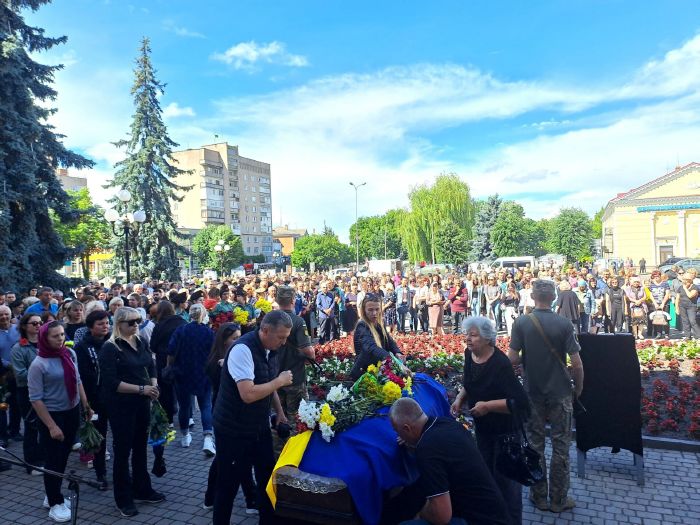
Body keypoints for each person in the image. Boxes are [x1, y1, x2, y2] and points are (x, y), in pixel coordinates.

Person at [211, 310, 294, 525]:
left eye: (286, 337)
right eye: (281, 337)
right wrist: (280, 381)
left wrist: (280, 413)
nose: (284, 342)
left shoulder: (270, 349)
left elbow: (267, 384)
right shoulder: (242, 350)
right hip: (233, 430)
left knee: (267, 479)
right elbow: (248, 394)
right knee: (228, 485)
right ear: (265, 330)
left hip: (258, 427)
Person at [508, 279, 584, 513]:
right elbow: (577, 364)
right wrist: (578, 389)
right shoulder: (564, 324)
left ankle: (539, 496)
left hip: (533, 393)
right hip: (560, 393)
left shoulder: (522, 322)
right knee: (561, 446)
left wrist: (528, 359)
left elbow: (512, 359)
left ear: (532, 297)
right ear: (554, 298)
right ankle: (558, 500)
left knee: (535, 445)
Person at [450, 316, 529, 524]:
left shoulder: (500, 363)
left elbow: (520, 402)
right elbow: (470, 382)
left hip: (506, 432)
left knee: (507, 484)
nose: (468, 339)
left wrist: (487, 406)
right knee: (487, 478)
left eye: (474, 335)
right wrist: (459, 398)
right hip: (484, 429)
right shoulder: (469, 354)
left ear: (487, 339)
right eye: (467, 334)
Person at [389, 397, 509, 525]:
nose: (399, 436)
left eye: (398, 432)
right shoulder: (447, 424)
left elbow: (441, 516)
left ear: (407, 428)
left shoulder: (427, 450)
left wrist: (420, 514)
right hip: (495, 513)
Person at [99, 307, 164, 518]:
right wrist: (142, 389)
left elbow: (151, 365)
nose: (136, 324)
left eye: (138, 320)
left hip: (142, 403)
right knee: (122, 451)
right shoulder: (110, 348)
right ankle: (123, 498)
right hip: (121, 406)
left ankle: (142, 488)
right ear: (119, 324)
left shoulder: (140, 341)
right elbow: (111, 382)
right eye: (131, 322)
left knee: (140, 448)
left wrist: (153, 385)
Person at [28, 321, 93, 523]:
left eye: (62, 334)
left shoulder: (69, 354)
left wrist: (86, 405)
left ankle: (52, 493)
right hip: (52, 416)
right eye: (55, 336)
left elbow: (78, 380)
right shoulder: (38, 364)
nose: (61, 339)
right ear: (45, 338)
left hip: (71, 411)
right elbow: (36, 399)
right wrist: (52, 426)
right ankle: (55, 502)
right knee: (53, 459)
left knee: (63, 456)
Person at [203, 323, 258, 515]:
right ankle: (250, 498)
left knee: (225, 459)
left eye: (239, 336)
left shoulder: (232, 357)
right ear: (223, 340)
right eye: (234, 338)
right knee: (237, 460)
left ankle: (211, 497)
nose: (238, 341)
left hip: (232, 415)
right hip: (226, 416)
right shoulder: (216, 362)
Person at [167, 303, 216, 454]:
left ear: (189, 314)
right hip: (203, 373)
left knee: (184, 406)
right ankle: (208, 438)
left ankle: (185, 436)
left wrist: (169, 367)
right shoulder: (208, 332)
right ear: (204, 314)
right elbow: (213, 354)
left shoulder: (181, 330)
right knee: (206, 406)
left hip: (182, 372)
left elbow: (171, 351)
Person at [73, 310, 111, 490]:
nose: (105, 326)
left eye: (107, 323)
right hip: (95, 400)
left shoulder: (113, 342)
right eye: (100, 324)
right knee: (99, 437)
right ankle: (100, 472)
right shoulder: (82, 347)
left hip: (115, 397)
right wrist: (88, 403)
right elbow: (84, 376)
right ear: (90, 327)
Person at [274, 286, 314, 427]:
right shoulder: (297, 321)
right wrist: (311, 357)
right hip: (295, 376)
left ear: (277, 300)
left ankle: (279, 440)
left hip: (274, 377)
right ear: (293, 300)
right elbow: (308, 350)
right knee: (298, 418)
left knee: (278, 417)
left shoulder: (271, 319)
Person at [10, 313, 45, 475]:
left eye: (40, 323)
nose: (38, 326)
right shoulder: (19, 348)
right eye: (34, 323)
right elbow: (20, 375)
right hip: (28, 392)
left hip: (46, 390)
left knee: (45, 425)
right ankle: (32, 463)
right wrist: (42, 373)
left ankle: (44, 457)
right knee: (31, 426)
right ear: (24, 326)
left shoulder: (46, 343)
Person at [350, 293, 405, 380]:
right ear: (364, 311)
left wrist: (397, 352)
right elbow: (371, 347)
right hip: (364, 373)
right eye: (370, 310)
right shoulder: (362, 326)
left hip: (378, 369)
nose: (374, 313)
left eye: (377, 309)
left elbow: (389, 341)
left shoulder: (379, 323)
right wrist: (394, 361)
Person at [148, 300, 186, 424]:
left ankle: (169, 420)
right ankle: (187, 418)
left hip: (163, 361)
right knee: (183, 390)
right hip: (181, 359)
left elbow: (153, 346)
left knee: (166, 391)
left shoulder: (159, 325)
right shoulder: (182, 322)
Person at [0, 304, 21, 447]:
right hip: (2, 374)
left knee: (16, 403)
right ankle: (2, 435)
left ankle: (15, 430)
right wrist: (8, 365)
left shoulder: (18, 330)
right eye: (1, 315)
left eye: (6, 314)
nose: (4, 317)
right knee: (2, 405)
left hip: (17, 373)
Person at [647, 270, 671, 339]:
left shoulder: (665, 283)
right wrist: (655, 303)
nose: (656, 277)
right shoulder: (651, 285)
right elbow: (651, 295)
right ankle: (659, 334)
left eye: (657, 276)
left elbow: (667, 294)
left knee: (665, 319)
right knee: (657, 319)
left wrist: (663, 303)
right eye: (654, 276)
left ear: (660, 276)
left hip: (664, 304)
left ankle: (666, 334)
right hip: (655, 304)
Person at [675, 274, 699, 340]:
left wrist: (685, 288)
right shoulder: (680, 287)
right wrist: (676, 308)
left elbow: (690, 295)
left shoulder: (694, 287)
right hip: (682, 306)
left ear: (690, 281)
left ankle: (698, 336)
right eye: (684, 280)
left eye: (686, 280)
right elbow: (677, 298)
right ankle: (687, 336)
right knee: (685, 321)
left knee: (692, 321)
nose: (685, 282)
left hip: (691, 306)